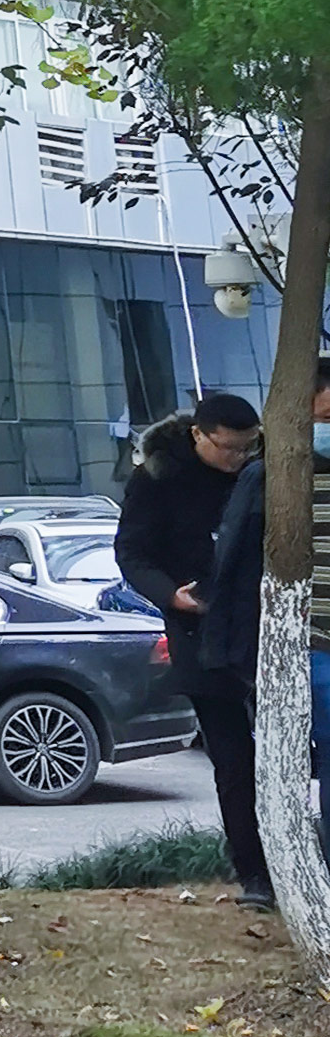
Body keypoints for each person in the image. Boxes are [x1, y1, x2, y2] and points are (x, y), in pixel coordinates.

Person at [117, 391, 265, 901]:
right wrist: (171, 596)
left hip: (263, 622)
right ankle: (253, 869)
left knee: (286, 751)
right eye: (228, 448)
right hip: (200, 631)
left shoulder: (264, 468)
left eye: (248, 448)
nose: (238, 459)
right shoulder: (159, 477)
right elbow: (132, 553)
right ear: (198, 435)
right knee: (232, 758)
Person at [199, 354, 330, 899]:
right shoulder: (269, 478)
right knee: (289, 766)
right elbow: (234, 566)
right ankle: (285, 876)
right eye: (326, 416)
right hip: (303, 646)